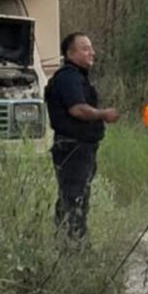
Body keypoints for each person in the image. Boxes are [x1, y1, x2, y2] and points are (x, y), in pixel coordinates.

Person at [44, 33, 119, 242]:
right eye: (85, 48)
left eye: (91, 48)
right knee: (74, 199)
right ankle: (73, 247)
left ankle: (66, 244)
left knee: (75, 198)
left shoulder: (78, 77)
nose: (91, 53)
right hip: (72, 149)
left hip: (82, 148)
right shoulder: (68, 77)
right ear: (70, 53)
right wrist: (103, 114)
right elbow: (77, 109)